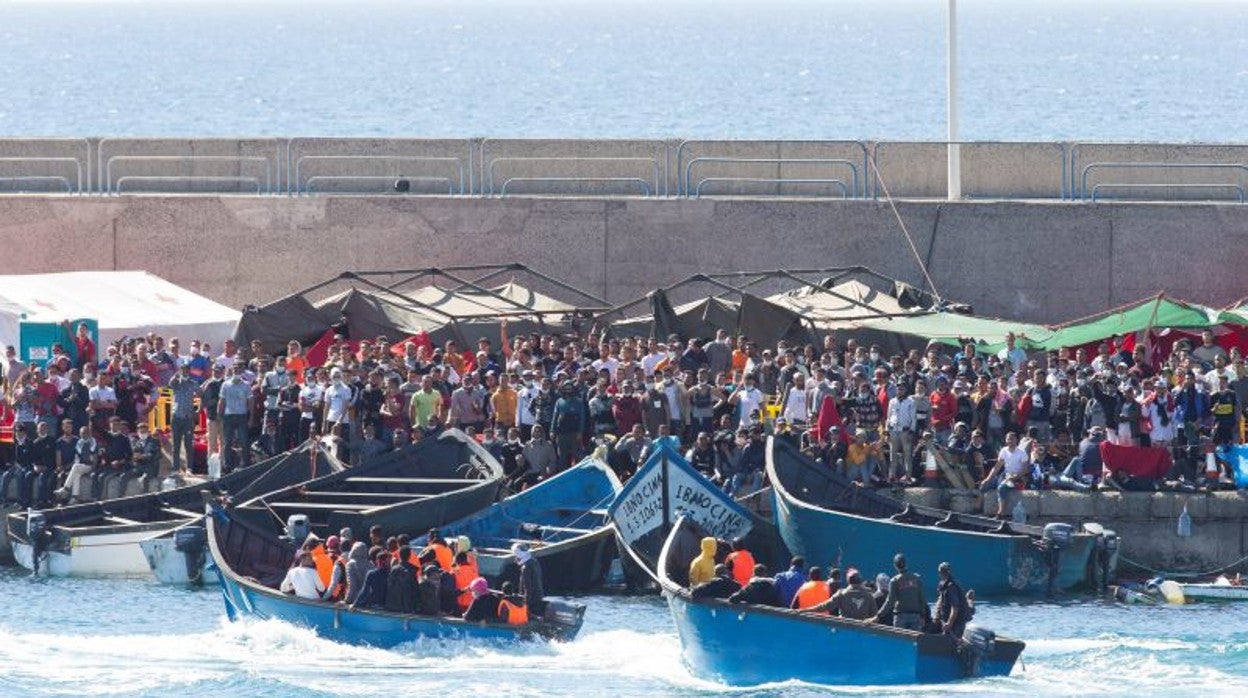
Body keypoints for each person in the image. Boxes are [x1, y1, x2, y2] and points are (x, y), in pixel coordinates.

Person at [873, 553, 927, 631]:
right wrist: (923, 616)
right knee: (914, 641)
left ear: (895, 566)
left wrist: (878, 616)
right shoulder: (916, 578)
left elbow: (890, 601)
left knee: (900, 641)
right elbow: (922, 598)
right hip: (916, 616)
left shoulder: (894, 581)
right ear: (906, 564)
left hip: (900, 617)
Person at [807, 570, 878, 620]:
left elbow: (824, 607)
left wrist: (805, 610)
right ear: (860, 581)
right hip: (862, 633)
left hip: (843, 629)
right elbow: (875, 616)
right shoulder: (869, 596)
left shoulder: (841, 594)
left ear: (848, 581)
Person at [934, 562, 970, 637]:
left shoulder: (951, 587)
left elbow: (955, 608)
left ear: (940, 573)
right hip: (951, 620)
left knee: (954, 642)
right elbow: (940, 601)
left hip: (956, 622)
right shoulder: (944, 585)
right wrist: (937, 616)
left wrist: (949, 624)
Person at [513, 541, 545, 616]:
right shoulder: (534, 561)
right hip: (538, 597)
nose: (515, 559)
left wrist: (525, 605)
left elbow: (528, 588)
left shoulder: (526, 568)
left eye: (516, 556)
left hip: (532, 602)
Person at [385, 545, 420, 613]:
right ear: (409, 556)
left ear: (399, 555)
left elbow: (388, 586)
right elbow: (415, 590)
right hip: (407, 608)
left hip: (392, 606)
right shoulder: (412, 570)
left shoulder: (393, 569)